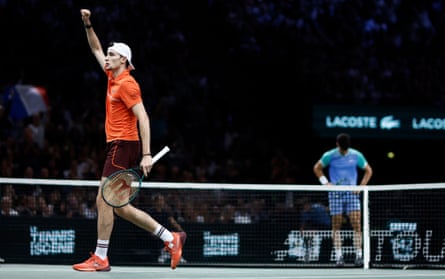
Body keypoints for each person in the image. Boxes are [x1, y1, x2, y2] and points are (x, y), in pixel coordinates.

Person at [73, 9, 186, 272]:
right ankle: (171, 238)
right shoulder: (112, 77)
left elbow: (143, 117)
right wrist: (88, 25)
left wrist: (147, 154)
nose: (107, 58)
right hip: (119, 145)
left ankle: (101, 258)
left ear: (123, 59)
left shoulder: (127, 84)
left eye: (112, 56)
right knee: (120, 207)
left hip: (124, 145)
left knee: (104, 199)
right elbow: (96, 50)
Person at [313, 133, 372, 266]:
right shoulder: (330, 155)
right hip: (335, 195)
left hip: (352, 194)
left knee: (356, 224)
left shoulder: (356, 155)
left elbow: (368, 170)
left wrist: (361, 187)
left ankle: (359, 256)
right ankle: (339, 257)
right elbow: (317, 168)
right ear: (337, 144)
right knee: (336, 225)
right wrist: (326, 183)